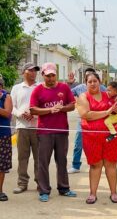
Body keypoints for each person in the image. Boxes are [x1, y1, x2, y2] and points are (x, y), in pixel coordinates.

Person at [30, 62, 77, 202]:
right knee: (43, 162)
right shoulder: (38, 90)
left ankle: (64, 188)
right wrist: (50, 110)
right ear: (42, 75)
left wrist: (61, 108)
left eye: (53, 75)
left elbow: (72, 105)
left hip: (62, 130)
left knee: (62, 160)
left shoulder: (63, 87)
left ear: (56, 74)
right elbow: (33, 109)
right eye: (48, 75)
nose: (50, 78)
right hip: (44, 132)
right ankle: (44, 190)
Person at [77, 72, 117, 204]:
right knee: (95, 164)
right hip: (91, 137)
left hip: (111, 136)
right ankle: (93, 194)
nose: (92, 84)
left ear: (100, 82)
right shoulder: (83, 97)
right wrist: (107, 112)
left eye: (95, 81)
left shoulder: (108, 95)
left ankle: (114, 193)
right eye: (89, 81)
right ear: (86, 83)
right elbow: (86, 114)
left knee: (111, 163)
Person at [67, 68, 107, 174]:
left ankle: (99, 164)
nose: (92, 81)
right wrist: (70, 84)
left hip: (98, 119)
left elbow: (110, 98)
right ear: (85, 79)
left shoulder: (102, 88)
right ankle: (76, 165)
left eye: (93, 78)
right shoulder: (79, 88)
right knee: (78, 143)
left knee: (99, 143)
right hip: (83, 120)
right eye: (88, 78)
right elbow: (67, 94)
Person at [11, 62, 40, 194]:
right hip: (22, 127)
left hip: (38, 127)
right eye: (30, 70)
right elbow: (12, 106)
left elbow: (44, 106)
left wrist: (34, 114)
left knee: (39, 157)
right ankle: (22, 183)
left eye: (35, 70)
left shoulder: (40, 87)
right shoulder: (17, 88)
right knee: (22, 157)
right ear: (24, 72)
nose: (33, 73)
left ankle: (41, 183)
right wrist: (20, 114)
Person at [0, 79, 13, 201]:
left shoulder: (6, 97)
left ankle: (0, 191)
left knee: (1, 165)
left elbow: (7, 113)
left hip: (2, 135)